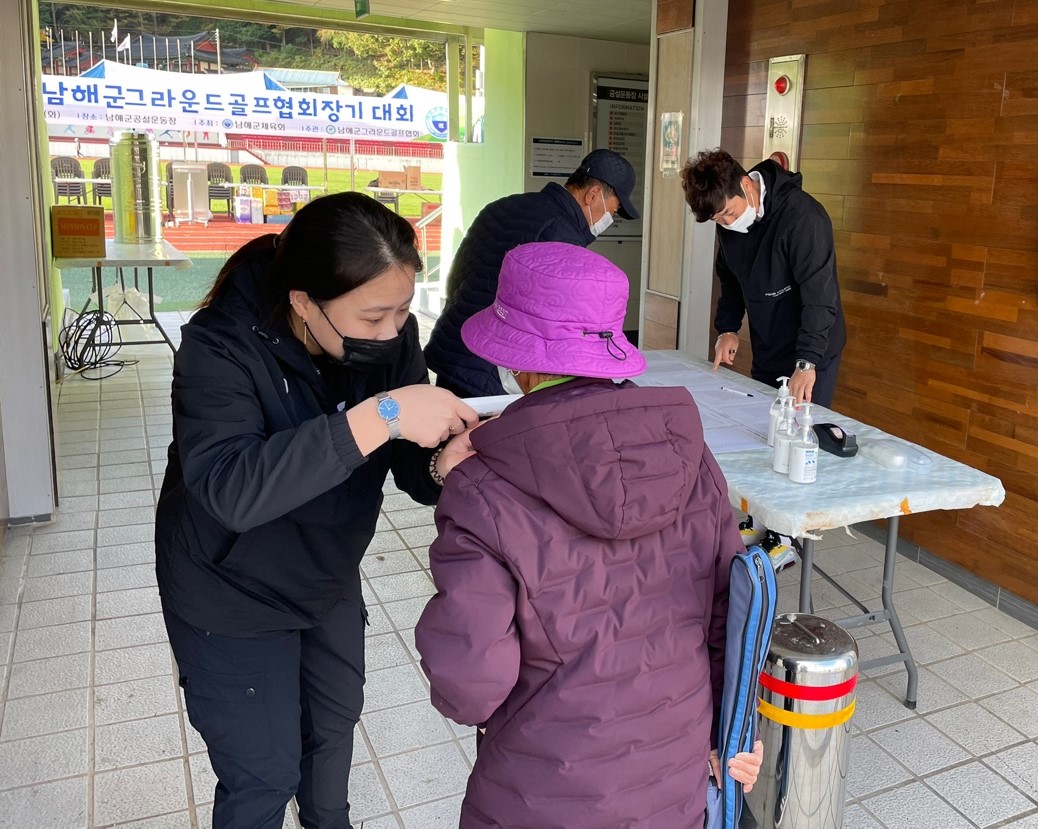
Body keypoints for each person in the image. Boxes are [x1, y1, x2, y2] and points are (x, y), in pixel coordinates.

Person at [155, 192, 478, 829]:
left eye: (403, 312)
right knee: (263, 774)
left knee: (332, 728)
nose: (392, 332)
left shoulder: (389, 341)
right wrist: (383, 413)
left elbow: (407, 462)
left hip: (326, 574)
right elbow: (231, 489)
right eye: (373, 316)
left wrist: (446, 464)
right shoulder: (219, 346)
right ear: (303, 301)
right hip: (229, 590)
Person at [415, 242, 762, 829]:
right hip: (674, 780)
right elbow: (731, 615)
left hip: (541, 792)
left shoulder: (480, 488)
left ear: (520, 366)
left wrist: (450, 479)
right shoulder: (692, 458)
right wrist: (727, 733)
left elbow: (469, 685)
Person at [423, 148, 639, 397]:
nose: (609, 219)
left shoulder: (500, 207)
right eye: (612, 211)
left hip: (454, 347)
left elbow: (458, 276)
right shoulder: (561, 237)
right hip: (495, 370)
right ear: (593, 195)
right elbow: (557, 327)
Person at [680, 149, 846, 407]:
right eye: (718, 219)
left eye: (730, 213)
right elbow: (730, 277)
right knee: (761, 418)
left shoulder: (803, 218)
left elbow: (819, 298)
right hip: (768, 346)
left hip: (813, 350)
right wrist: (727, 328)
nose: (728, 223)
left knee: (799, 424)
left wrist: (806, 362)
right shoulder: (729, 223)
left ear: (746, 185)